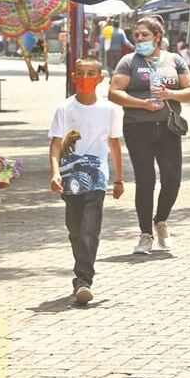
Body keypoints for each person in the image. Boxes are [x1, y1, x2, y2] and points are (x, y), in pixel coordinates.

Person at [109, 16, 190, 256]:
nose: (139, 39)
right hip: (138, 127)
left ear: (157, 37)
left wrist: (170, 94)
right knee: (145, 181)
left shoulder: (174, 60)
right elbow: (114, 93)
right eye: (136, 35)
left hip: (168, 127)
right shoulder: (129, 61)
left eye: (144, 35)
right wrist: (141, 104)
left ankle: (161, 221)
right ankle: (145, 233)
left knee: (172, 178)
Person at [49, 57, 125, 305]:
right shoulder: (64, 109)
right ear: (73, 76)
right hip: (70, 179)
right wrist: (55, 172)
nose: (85, 79)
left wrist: (119, 179)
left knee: (90, 228)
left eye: (91, 74)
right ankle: (81, 274)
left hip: (97, 178)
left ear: (100, 78)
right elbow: (56, 144)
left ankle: (83, 280)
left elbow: (114, 144)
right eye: (80, 74)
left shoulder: (110, 110)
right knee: (75, 230)